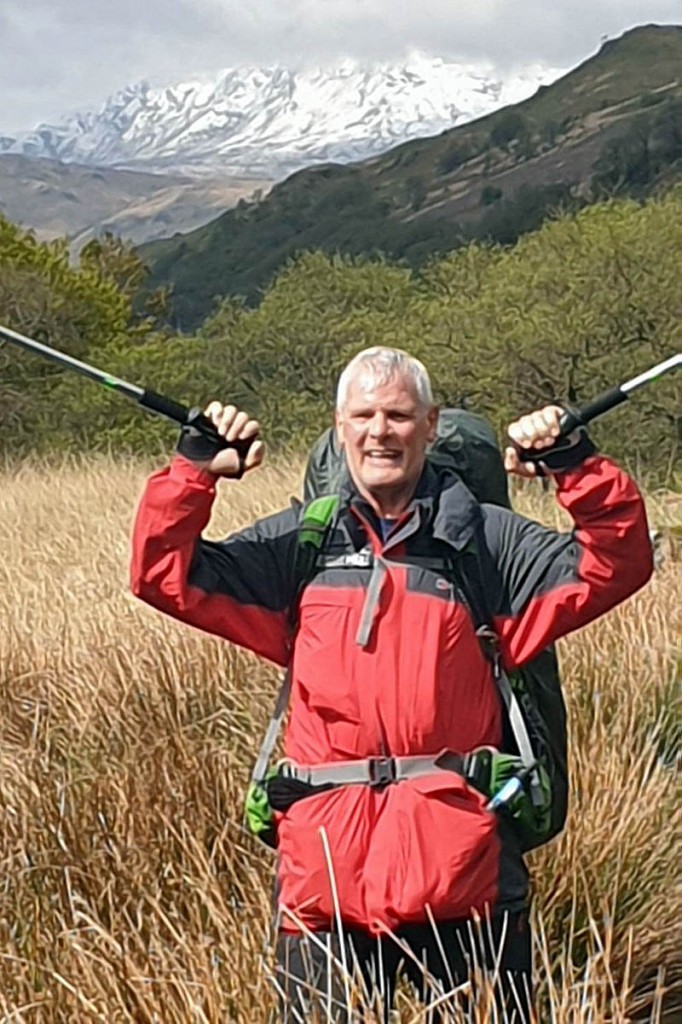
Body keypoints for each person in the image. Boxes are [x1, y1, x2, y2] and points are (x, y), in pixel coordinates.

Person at [130, 347, 653, 1021]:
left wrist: (573, 465)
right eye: (364, 415)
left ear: (431, 426)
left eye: (400, 416)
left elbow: (618, 562)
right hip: (325, 880)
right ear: (339, 427)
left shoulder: (488, 545)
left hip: (466, 876)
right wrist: (195, 469)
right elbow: (163, 574)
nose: (380, 431)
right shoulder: (301, 546)